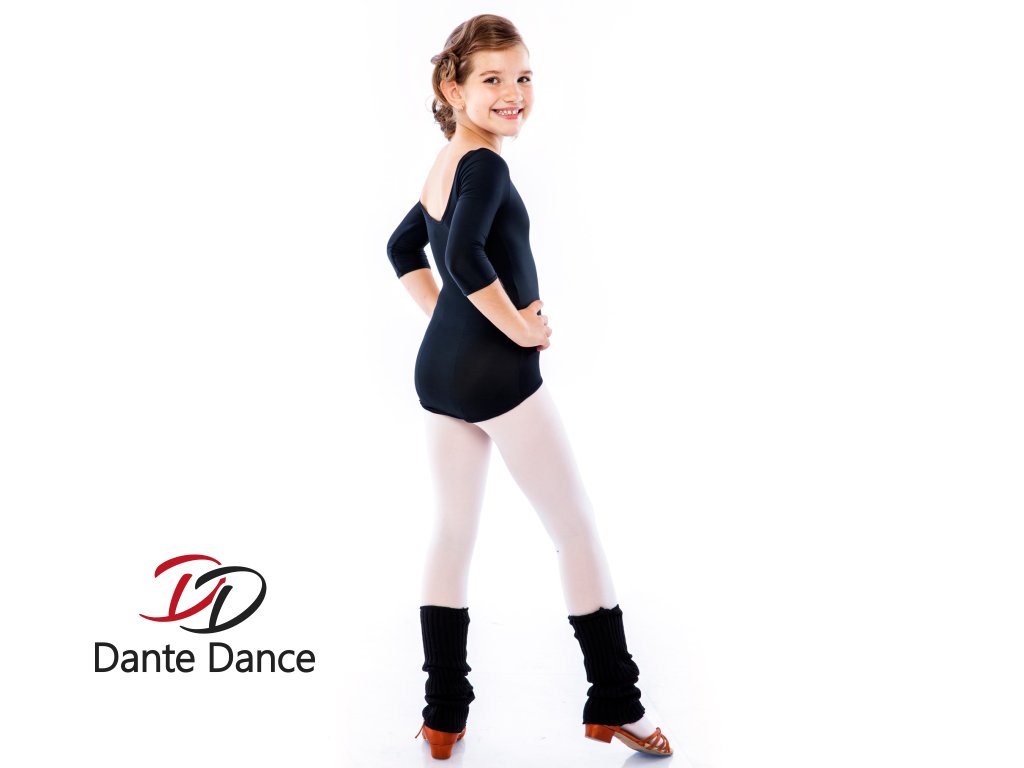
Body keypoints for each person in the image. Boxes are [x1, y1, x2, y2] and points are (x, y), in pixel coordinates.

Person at [385, 14, 673, 760]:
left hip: (439, 373)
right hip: (497, 375)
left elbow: (403, 248)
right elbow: (467, 259)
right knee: (574, 528)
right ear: (452, 87)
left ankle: (443, 714)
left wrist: (449, 319)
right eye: (492, 79)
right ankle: (618, 702)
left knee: (453, 532)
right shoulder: (485, 165)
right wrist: (519, 329)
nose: (513, 92)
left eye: (523, 76)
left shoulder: (447, 162)